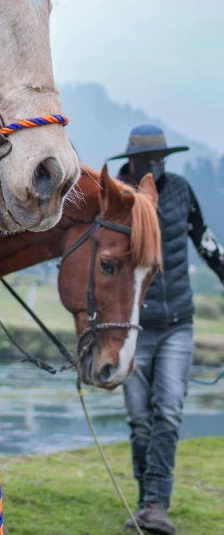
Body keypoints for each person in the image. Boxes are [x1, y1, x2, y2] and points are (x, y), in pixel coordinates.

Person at [107, 125, 224, 535]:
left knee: (168, 411)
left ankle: (155, 506)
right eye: (149, 161)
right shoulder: (115, 196)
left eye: (161, 159)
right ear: (133, 161)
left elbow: (204, 241)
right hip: (132, 327)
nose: (157, 166)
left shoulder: (181, 191)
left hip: (178, 324)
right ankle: (146, 503)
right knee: (140, 420)